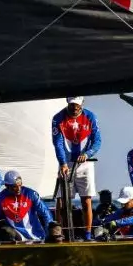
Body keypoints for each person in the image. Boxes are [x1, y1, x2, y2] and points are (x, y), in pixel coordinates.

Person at [52, 96, 101, 238]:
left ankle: (87, 234)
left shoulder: (90, 117)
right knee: (61, 201)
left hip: (85, 163)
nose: (75, 108)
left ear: (82, 104)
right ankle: (60, 233)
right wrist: (62, 163)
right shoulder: (58, 118)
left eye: (77, 106)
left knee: (86, 200)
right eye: (72, 105)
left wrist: (87, 153)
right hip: (66, 164)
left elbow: (97, 141)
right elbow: (58, 143)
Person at [0, 170, 55, 242]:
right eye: (14, 187)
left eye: (20, 185)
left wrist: (50, 230)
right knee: (4, 230)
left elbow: (45, 213)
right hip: (15, 236)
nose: (19, 189)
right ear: (7, 186)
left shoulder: (31, 194)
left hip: (36, 236)